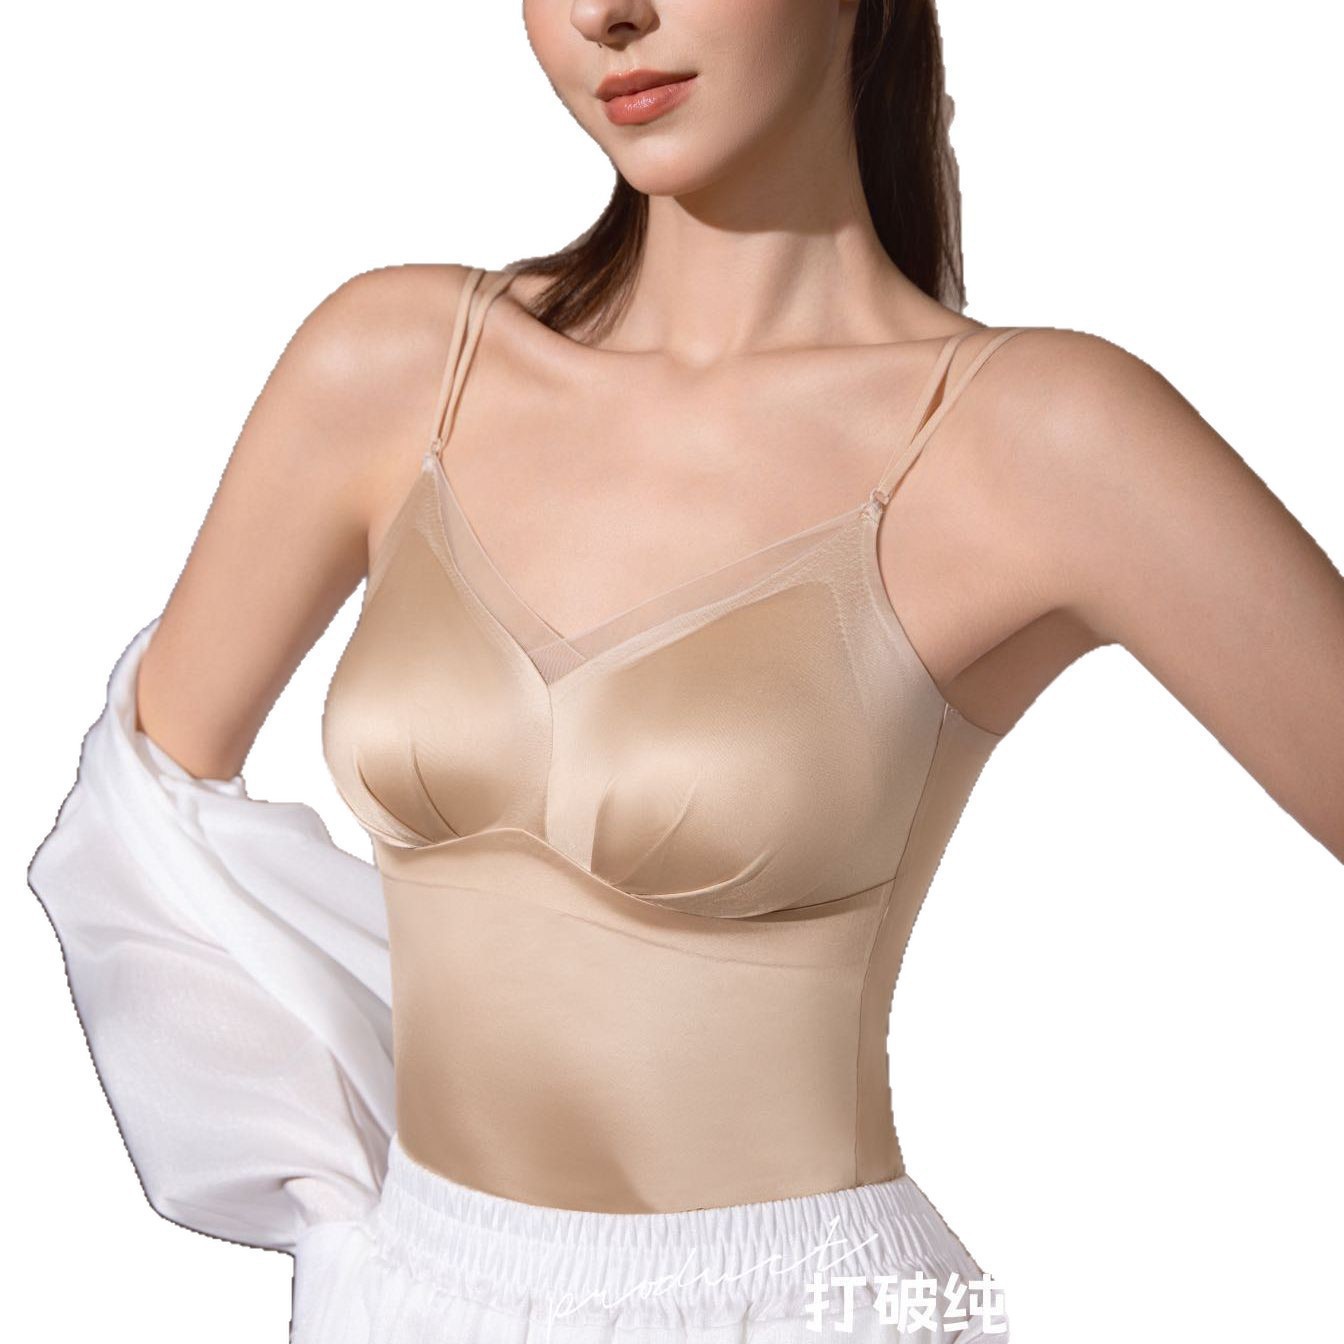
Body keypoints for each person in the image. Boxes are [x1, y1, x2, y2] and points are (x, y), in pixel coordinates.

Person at [27, 1, 1344, 1341]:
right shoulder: (398, 365)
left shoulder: (1033, 436)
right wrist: (338, 1199)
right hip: (407, 1291)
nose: (609, 13)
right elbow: (135, 821)